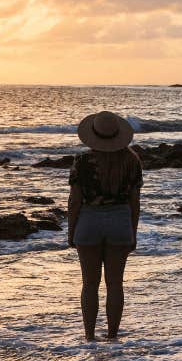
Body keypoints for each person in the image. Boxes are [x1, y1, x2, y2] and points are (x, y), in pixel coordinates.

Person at [67, 111, 142, 342]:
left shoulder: (82, 161)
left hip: (88, 221)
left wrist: (71, 231)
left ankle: (89, 336)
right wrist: (133, 231)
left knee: (89, 284)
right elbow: (134, 201)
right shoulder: (132, 161)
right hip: (120, 221)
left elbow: (74, 201)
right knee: (115, 284)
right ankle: (112, 336)